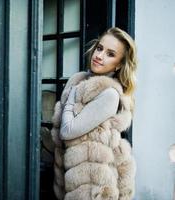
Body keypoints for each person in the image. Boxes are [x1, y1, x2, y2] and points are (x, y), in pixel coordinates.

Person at [51, 27, 137, 200]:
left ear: (119, 64)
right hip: (70, 177)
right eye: (100, 48)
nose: (99, 56)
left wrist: (73, 94)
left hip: (92, 187)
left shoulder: (109, 94)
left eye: (110, 54)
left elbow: (67, 131)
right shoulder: (79, 79)